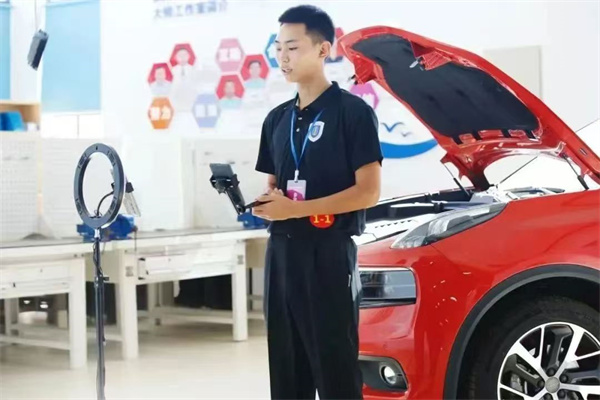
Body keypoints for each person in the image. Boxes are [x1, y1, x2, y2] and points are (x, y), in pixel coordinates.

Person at [253, 4, 383, 400]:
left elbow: (369, 191)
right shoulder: (276, 119)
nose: (283, 57)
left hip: (328, 254)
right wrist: (268, 204)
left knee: (334, 370)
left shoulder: (353, 113)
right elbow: (274, 184)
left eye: (293, 48)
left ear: (323, 49)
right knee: (286, 371)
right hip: (282, 254)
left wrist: (297, 210)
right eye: (278, 48)